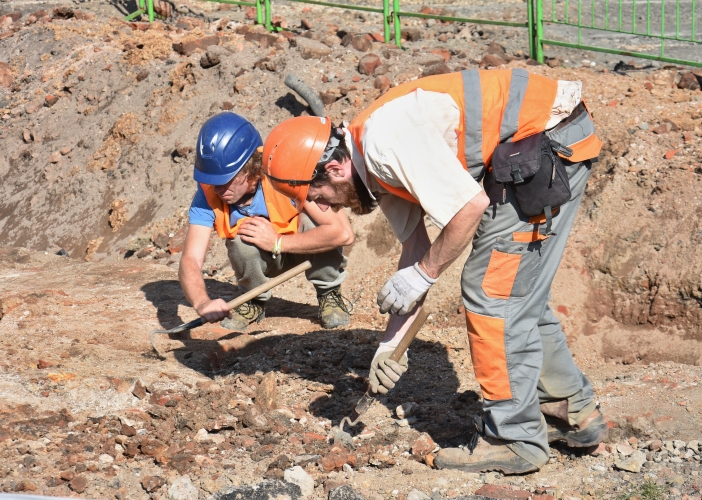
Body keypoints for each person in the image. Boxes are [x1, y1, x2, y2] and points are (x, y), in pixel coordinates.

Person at [261, 68, 608, 474]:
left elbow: (468, 209)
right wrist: (391, 345)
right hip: (534, 144)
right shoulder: (371, 167)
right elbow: (416, 248)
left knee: (493, 292)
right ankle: (570, 411)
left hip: (547, 141)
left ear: (335, 170)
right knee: (516, 289)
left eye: (319, 197)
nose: (329, 209)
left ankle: (514, 439)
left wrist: (424, 275)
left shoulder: (383, 147)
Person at [179, 112, 354, 332]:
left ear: (250, 170)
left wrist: (277, 242)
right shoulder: (208, 194)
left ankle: (329, 293)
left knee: (317, 223)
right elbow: (190, 259)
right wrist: (201, 302)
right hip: (264, 258)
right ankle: (254, 300)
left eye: (225, 181)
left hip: (302, 246)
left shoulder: (283, 169)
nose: (217, 190)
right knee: (242, 241)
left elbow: (343, 233)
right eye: (212, 181)